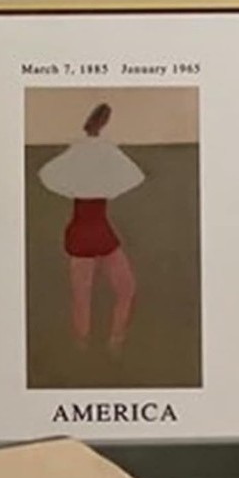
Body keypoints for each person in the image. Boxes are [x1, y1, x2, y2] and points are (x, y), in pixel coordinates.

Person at [38, 103, 145, 352]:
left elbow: (47, 174)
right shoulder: (104, 150)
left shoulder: (78, 149)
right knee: (125, 288)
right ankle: (114, 341)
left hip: (81, 231)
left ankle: (83, 344)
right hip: (97, 229)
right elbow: (135, 175)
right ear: (105, 124)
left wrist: (75, 188)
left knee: (82, 295)